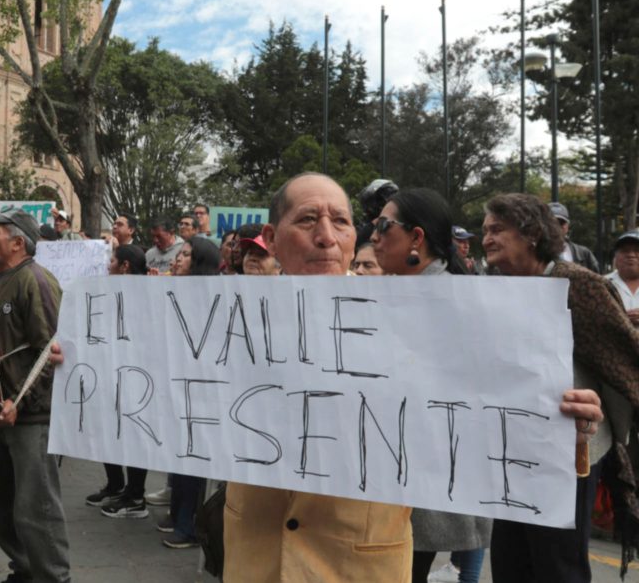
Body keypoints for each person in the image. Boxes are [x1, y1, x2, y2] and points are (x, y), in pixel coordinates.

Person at [222, 174, 605, 582]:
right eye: (307, 220)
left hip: (360, 561)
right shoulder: (225, 318)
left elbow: (472, 416)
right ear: (272, 236)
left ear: (354, 237)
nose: (326, 237)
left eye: (340, 222)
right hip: (255, 554)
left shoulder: (412, 319)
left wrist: (557, 428)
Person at [483, 193, 639, 583]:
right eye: (484, 230)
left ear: (532, 234)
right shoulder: (492, 288)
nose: (486, 238)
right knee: (510, 557)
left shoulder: (578, 284)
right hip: (510, 446)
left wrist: (596, 409)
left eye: (497, 229)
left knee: (557, 564)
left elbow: (624, 359)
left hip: (572, 451)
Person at [369, 189, 487, 583]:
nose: (373, 236)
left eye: (383, 226)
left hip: (424, 477)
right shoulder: (392, 290)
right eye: (373, 226)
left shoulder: (459, 300)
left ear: (416, 238)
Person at [0, 206, 70, 583]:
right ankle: (26, 569)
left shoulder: (36, 280)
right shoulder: (1, 281)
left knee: (37, 509)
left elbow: (52, 349)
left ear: (17, 243)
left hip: (33, 416)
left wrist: (23, 400)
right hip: (1, 411)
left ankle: (53, 578)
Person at [80, 245, 151, 520]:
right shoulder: (108, 290)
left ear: (124, 266)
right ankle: (115, 485)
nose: (107, 265)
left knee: (132, 435)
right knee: (107, 431)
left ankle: (135, 496)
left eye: (112, 260)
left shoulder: (147, 293)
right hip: (109, 371)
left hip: (135, 376)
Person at [158, 236, 220, 549]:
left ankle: (190, 525)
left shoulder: (211, 296)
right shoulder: (175, 290)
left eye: (185, 255)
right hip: (179, 386)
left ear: (199, 263)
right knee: (179, 457)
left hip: (201, 391)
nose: (177, 259)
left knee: (193, 461)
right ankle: (176, 515)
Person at [547, 202, 599, 272]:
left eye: (561, 222)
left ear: (567, 226)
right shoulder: (534, 255)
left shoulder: (584, 254)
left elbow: (598, 280)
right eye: (552, 222)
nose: (557, 226)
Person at [608, 230, 639, 326]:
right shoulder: (601, 284)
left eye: (637, 250)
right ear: (615, 257)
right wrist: (619, 318)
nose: (631, 255)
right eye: (625, 251)